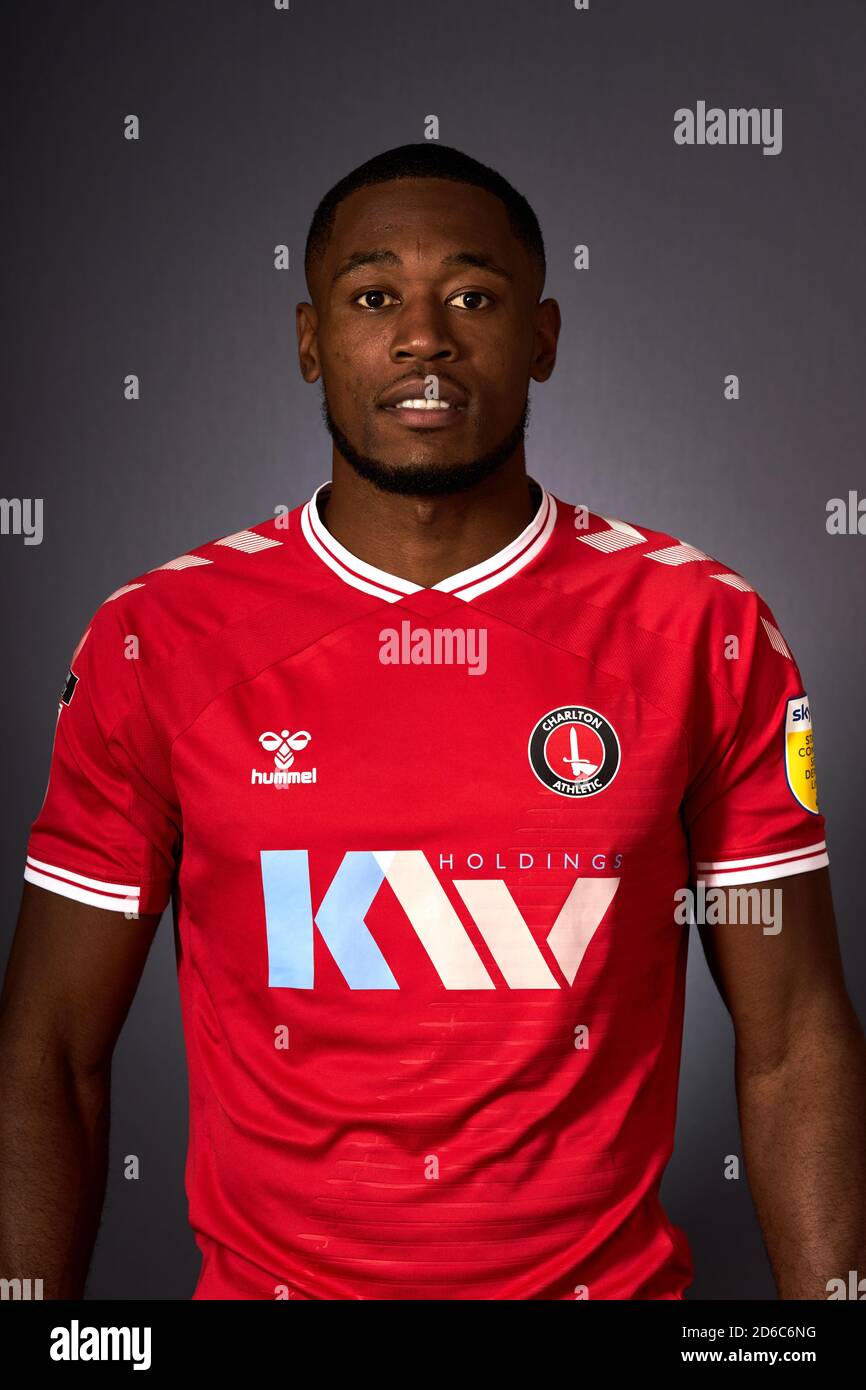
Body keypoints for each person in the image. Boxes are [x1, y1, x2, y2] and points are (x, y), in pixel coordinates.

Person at [1, 143, 863, 1301]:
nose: (424, 337)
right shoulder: (156, 638)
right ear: (310, 341)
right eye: (372, 298)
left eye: (472, 295)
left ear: (543, 337)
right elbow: (49, 1050)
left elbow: (796, 1037)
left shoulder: (700, 628)